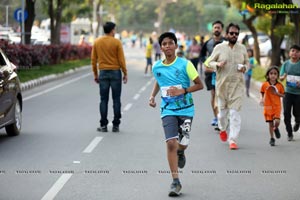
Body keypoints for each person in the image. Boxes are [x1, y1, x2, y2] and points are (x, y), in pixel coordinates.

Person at [149, 32, 203, 196]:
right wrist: (152, 96)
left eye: (170, 43)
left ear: (176, 46)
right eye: (164, 44)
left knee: (183, 142)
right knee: (171, 143)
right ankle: (175, 181)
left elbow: (199, 85)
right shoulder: (156, 66)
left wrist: (183, 90)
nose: (167, 46)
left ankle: (182, 151)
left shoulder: (185, 64)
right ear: (161, 47)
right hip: (168, 110)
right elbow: (159, 81)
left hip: (186, 109)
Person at [208, 23, 249, 150]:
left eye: (236, 33)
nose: (234, 35)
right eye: (231, 33)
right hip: (222, 87)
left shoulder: (242, 48)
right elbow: (209, 62)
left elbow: (247, 62)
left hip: (237, 86)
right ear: (227, 34)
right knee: (222, 115)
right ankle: (222, 129)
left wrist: (245, 67)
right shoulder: (219, 47)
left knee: (234, 114)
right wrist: (218, 64)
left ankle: (233, 140)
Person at [91, 22, 128, 132]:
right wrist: (125, 73)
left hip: (103, 72)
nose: (115, 31)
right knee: (116, 99)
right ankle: (116, 125)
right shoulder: (117, 42)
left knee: (103, 100)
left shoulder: (97, 42)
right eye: (114, 29)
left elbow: (93, 60)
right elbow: (121, 60)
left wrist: (95, 74)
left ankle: (103, 125)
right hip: (116, 72)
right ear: (112, 30)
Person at [200, 20, 226, 128]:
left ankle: (224, 116)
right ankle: (216, 116)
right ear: (212, 29)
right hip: (211, 73)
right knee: (214, 94)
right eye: (215, 27)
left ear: (222, 29)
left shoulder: (226, 42)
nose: (216, 29)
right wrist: (206, 62)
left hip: (224, 72)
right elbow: (201, 56)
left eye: (218, 27)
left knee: (224, 96)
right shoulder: (208, 43)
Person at [279, 44, 300, 141]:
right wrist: (282, 77)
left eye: (297, 51)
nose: (294, 53)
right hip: (287, 92)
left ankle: (297, 121)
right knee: (286, 113)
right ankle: (289, 133)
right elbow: (281, 76)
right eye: (293, 51)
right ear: (289, 53)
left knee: (297, 112)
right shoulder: (286, 64)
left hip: (298, 94)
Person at [260, 66, 285, 146]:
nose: (273, 75)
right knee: (270, 124)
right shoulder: (264, 84)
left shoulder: (280, 86)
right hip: (268, 107)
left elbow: (284, 95)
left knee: (277, 121)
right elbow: (262, 93)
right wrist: (262, 99)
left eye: (275, 74)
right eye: (271, 73)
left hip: (277, 106)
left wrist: (277, 94)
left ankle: (276, 128)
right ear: (268, 75)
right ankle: (272, 138)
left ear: (277, 75)